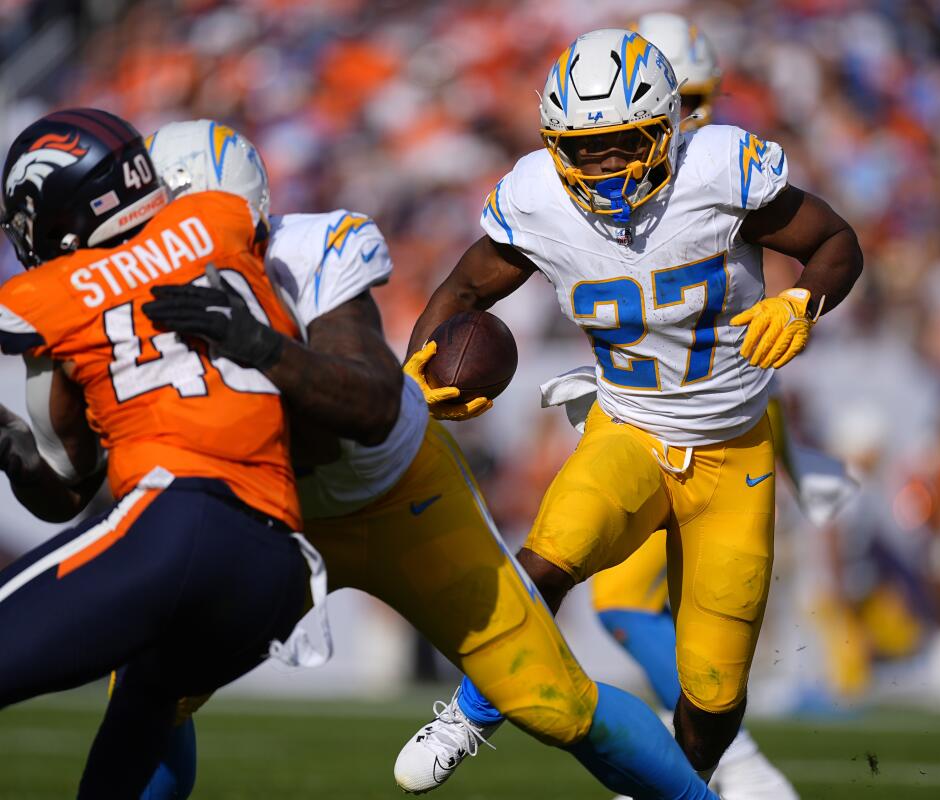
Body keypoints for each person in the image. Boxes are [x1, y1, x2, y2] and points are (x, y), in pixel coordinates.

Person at [126, 119, 718, 800]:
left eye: (192, 224)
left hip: (401, 498)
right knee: (146, 686)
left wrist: (255, 349)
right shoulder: (129, 296)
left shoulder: (312, 254)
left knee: (552, 701)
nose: (171, 247)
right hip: (273, 519)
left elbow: (360, 404)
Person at [395, 27, 862, 788]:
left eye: (625, 142)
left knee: (713, 693)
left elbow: (836, 240)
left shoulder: (717, 171)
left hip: (734, 453)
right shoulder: (538, 198)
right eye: (584, 147)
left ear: (669, 128)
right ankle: (471, 713)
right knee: (551, 553)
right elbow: (463, 290)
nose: (605, 163)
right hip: (632, 430)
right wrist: (422, 366)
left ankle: (670, 787)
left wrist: (805, 298)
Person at [0, 108, 312, 797]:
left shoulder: (43, 295)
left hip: (176, 521)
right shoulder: (218, 220)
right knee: (141, 712)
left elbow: (68, 474)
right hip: (278, 569)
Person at [586, 13, 798, 798]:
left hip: (720, 419)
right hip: (654, 417)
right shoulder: (624, 176)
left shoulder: (715, 170)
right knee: (623, 598)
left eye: (703, 96)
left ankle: (725, 758)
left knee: (663, 611)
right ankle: (721, 756)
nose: (697, 115)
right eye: (688, 96)